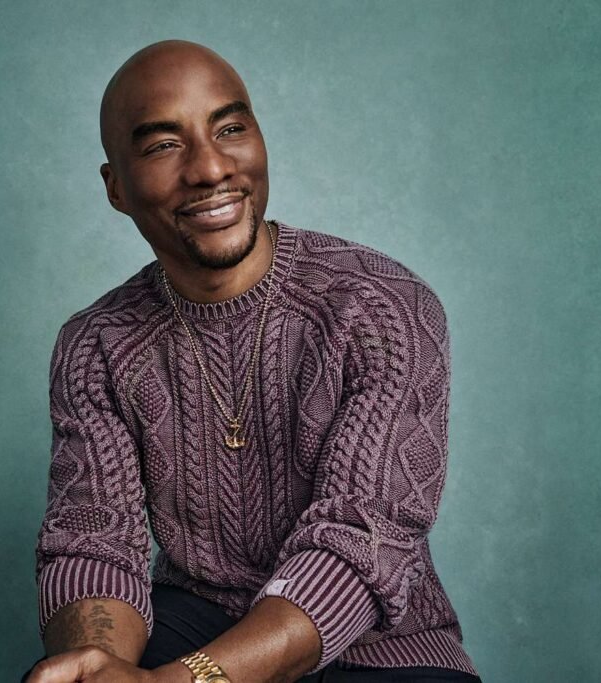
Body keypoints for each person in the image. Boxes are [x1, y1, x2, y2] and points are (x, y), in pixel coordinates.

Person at [25, 40, 481, 683]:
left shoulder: (383, 308)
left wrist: (182, 682)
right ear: (116, 187)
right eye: (163, 145)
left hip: (383, 649)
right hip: (197, 619)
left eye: (231, 129)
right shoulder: (95, 345)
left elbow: (361, 545)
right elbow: (93, 540)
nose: (210, 168)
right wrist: (100, 667)